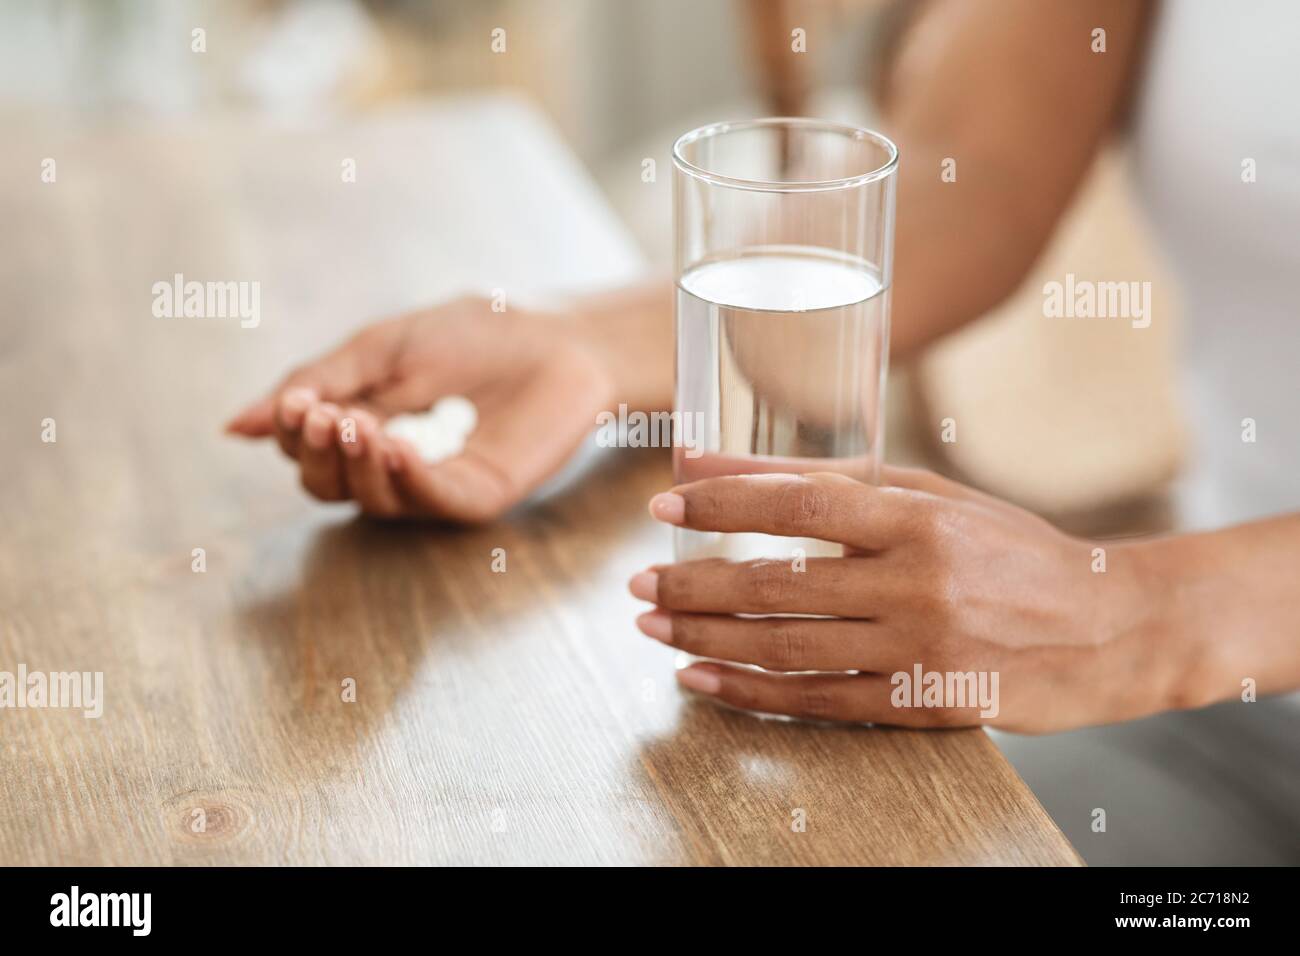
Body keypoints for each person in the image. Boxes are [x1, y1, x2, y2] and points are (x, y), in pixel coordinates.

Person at [226, 0, 1300, 732]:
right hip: (1219, 709)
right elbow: (962, 181)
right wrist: (592, 341)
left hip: (1194, 656)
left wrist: (1145, 620)